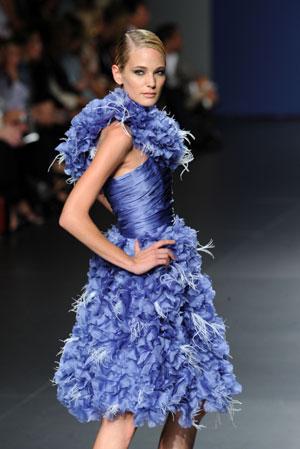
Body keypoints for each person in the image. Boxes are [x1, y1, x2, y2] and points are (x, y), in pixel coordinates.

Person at [51, 29, 242, 449]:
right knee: (128, 409)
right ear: (118, 73)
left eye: (156, 72)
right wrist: (132, 258)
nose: (151, 82)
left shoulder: (148, 125)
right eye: (139, 72)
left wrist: (128, 211)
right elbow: (71, 214)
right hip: (139, 284)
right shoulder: (119, 134)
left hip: (172, 272)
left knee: (190, 398)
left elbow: (116, 189)